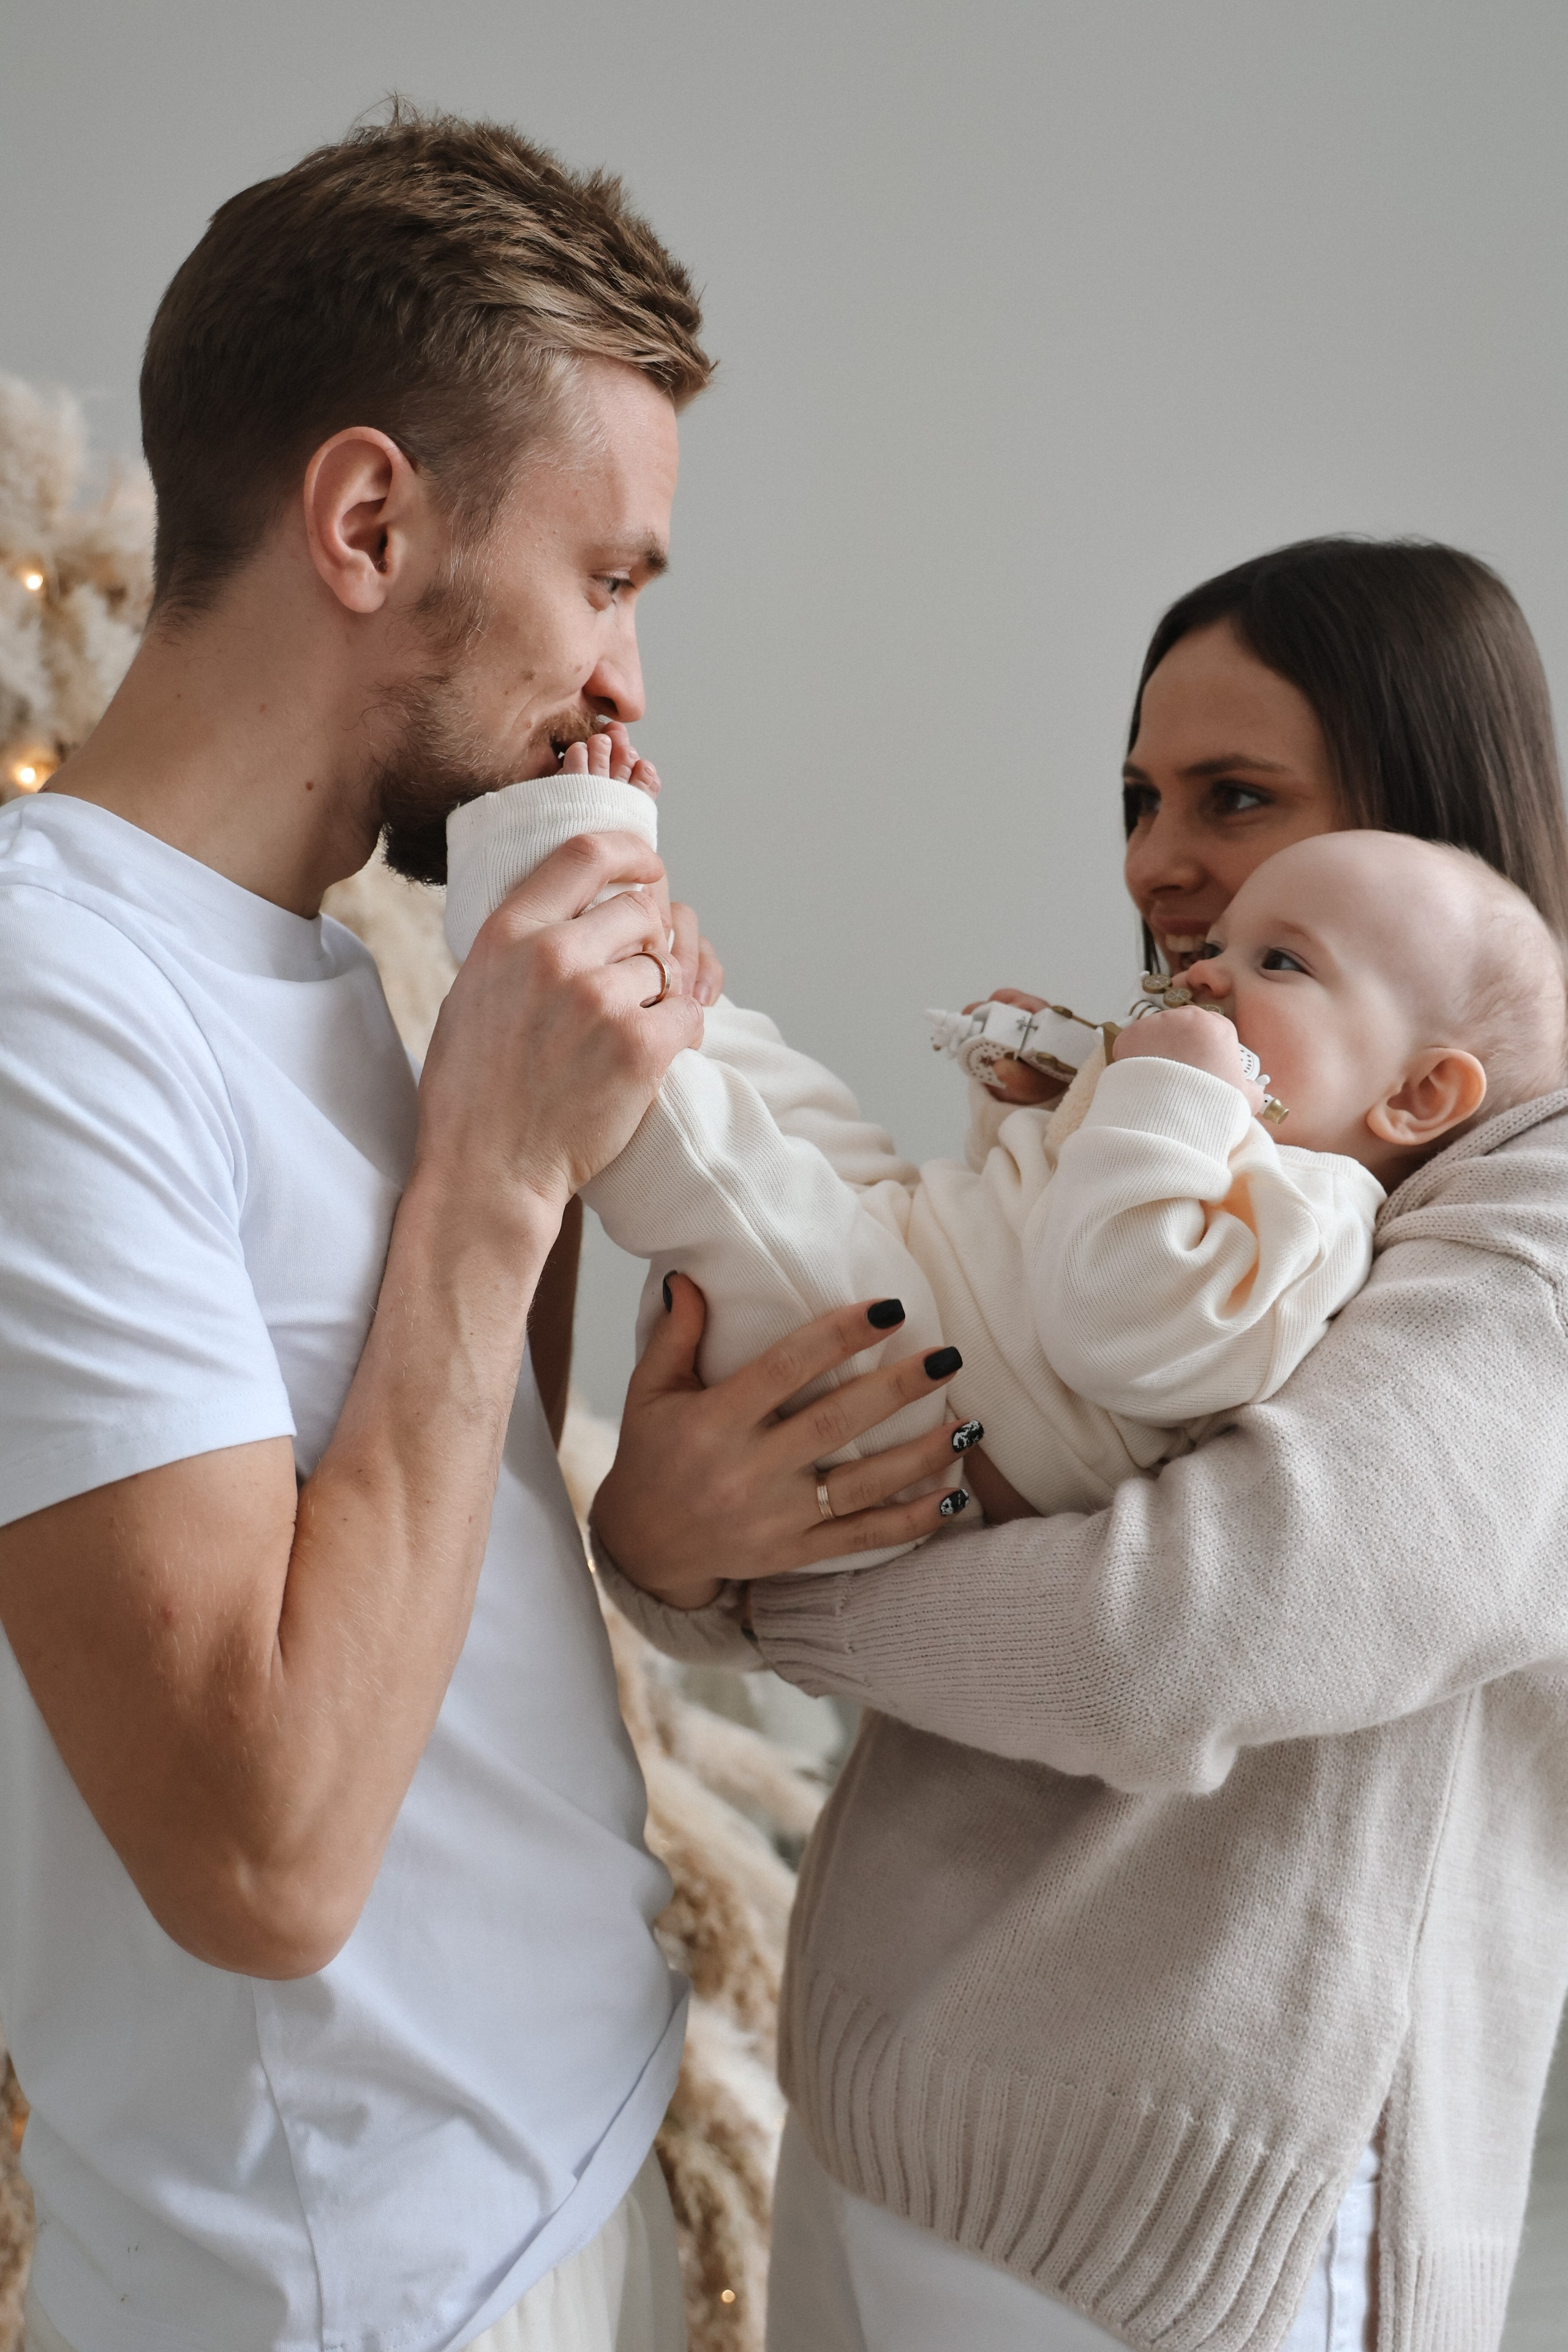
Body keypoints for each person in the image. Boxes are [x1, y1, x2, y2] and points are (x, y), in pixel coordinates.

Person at [0, 112, 968, 2352]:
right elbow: (263, 1858)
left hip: (576, 2173)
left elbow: (412, 1544)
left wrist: (554, 1190)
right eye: (608, 577)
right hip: (375, 2294)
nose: (629, 680)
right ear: (367, 521)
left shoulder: (327, 963)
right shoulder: (54, 1007)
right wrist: (494, 1178)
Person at [590, 538, 1568, 2351]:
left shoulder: (1533, 1206)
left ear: (1426, 818)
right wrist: (668, 1540)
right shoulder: (1195, 1128)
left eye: (1237, 796)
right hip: (883, 2119)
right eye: (1138, 796)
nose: (1154, 860)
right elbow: (917, 1422)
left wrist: (746, 1592)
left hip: (1179, 2229)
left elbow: (1171, 1640)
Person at [442, 755, 1567, 1561]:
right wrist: (1035, 1104)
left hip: (909, 1411)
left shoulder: (1315, 1215)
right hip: (930, 1278)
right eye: (1221, 948)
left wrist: (1161, 1093)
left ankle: (536, 908)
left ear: (1421, 1095)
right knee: (778, 1080)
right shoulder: (1226, 1131)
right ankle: (616, 909)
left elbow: (1116, 1318)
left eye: (1279, 962)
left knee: (727, 1170)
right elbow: (1038, 1227)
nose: (1209, 969)